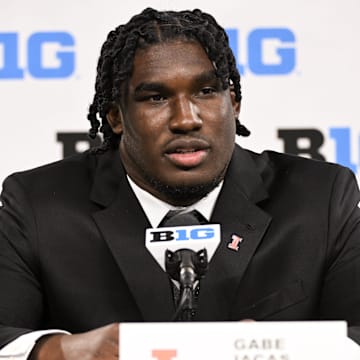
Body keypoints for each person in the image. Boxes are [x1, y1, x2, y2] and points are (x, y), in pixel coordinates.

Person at [0, 7, 360, 359]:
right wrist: (64, 351)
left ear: (233, 103)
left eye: (206, 91)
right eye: (156, 97)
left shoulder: (321, 199)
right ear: (115, 117)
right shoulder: (37, 206)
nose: (187, 120)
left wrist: (283, 349)